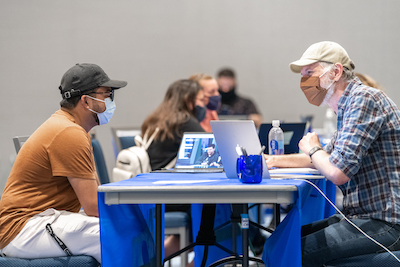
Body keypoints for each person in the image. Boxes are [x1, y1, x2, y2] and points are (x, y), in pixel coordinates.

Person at [265, 41, 400, 266]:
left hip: (385, 222)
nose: (304, 80)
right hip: (362, 217)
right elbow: (325, 157)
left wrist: (313, 147)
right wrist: (272, 160)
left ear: (336, 72)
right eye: (303, 74)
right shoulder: (348, 107)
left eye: (310, 72)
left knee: (289, 252)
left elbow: (337, 171)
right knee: (278, 243)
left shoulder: (364, 99)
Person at [0, 63, 127, 263]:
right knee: (121, 234)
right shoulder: (69, 133)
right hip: (22, 228)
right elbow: (94, 206)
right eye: (106, 94)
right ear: (86, 101)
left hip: (41, 220)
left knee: (123, 227)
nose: (110, 101)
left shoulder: (72, 129)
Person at [141, 79, 205, 267]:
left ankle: (154, 257)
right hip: (171, 196)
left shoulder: (155, 119)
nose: (204, 105)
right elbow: (210, 150)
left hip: (153, 192)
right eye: (201, 100)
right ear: (188, 99)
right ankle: (199, 262)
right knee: (215, 208)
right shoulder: (185, 121)